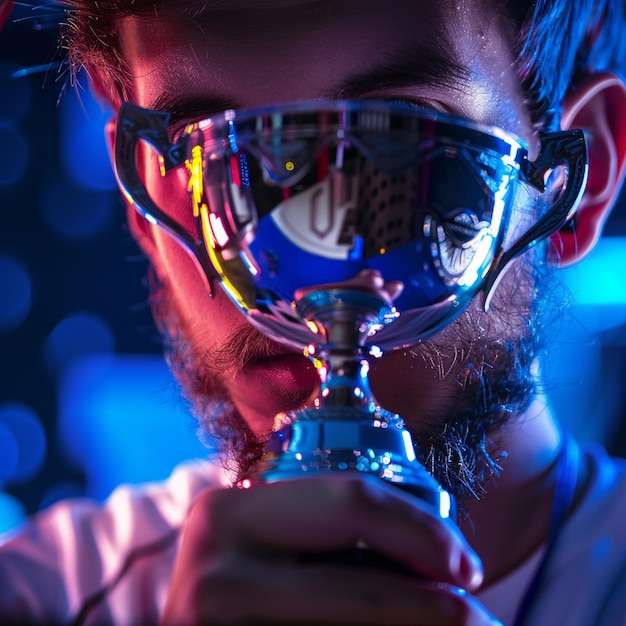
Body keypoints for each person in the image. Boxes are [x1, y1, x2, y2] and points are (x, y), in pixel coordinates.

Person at [2, 0, 626, 624]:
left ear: (581, 177)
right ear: (138, 193)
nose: (301, 237)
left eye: (395, 130)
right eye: (213, 150)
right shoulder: (37, 598)